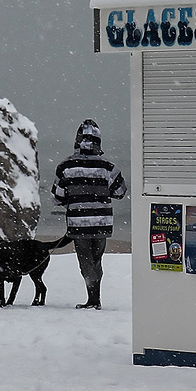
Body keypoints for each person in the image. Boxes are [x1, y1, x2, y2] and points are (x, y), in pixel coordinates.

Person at [52, 119, 127, 309]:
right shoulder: (108, 167)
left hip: (79, 222)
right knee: (97, 259)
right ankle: (96, 298)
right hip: (101, 222)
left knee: (85, 260)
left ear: (77, 141)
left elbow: (57, 197)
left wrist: (74, 195)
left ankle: (93, 299)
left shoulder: (66, 167)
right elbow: (120, 191)